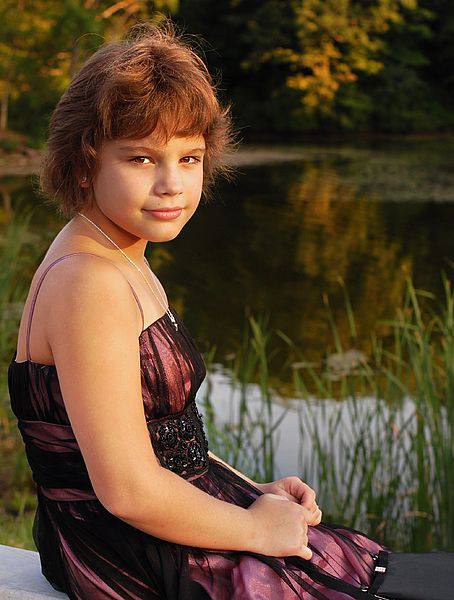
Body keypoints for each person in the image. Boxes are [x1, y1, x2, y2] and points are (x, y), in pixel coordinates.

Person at [8, 22, 385, 599]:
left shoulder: (117, 253)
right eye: (141, 158)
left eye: (189, 158)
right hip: (119, 550)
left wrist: (250, 489)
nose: (171, 185)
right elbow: (127, 490)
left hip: (144, 525)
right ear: (85, 163)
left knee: (381, 571)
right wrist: (254, 529)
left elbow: (157, 435)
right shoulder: (88, 282)